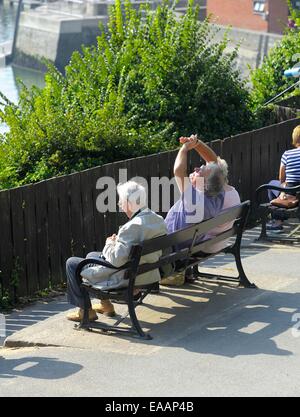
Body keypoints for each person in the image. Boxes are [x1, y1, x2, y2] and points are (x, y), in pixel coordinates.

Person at [66, 181, 167, 322]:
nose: (120, 205)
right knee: (91, 256)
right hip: (147, 273)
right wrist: (118, 242)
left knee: (71, 263)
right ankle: (106, 305)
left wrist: (110, 243)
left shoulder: (131, 227)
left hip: (127, 278)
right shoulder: (158, 220)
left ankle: (85, 311)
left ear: (129, 202)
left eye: (121, 201)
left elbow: (115, 260)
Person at [162, 134, 240, 285]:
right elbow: (214, 163)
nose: (197, 167)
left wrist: (184, 149)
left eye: (200, 170)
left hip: (174, 246)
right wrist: (196, 144)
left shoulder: (194, 199)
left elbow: (178, 171)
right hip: (190, 242)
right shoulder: (217, 194)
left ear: (203, 182)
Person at [266, 125, 300, 232]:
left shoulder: (287, 154)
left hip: (290, 194)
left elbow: (281, 178)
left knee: (271, 183)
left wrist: (284, 185)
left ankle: (278, 221)